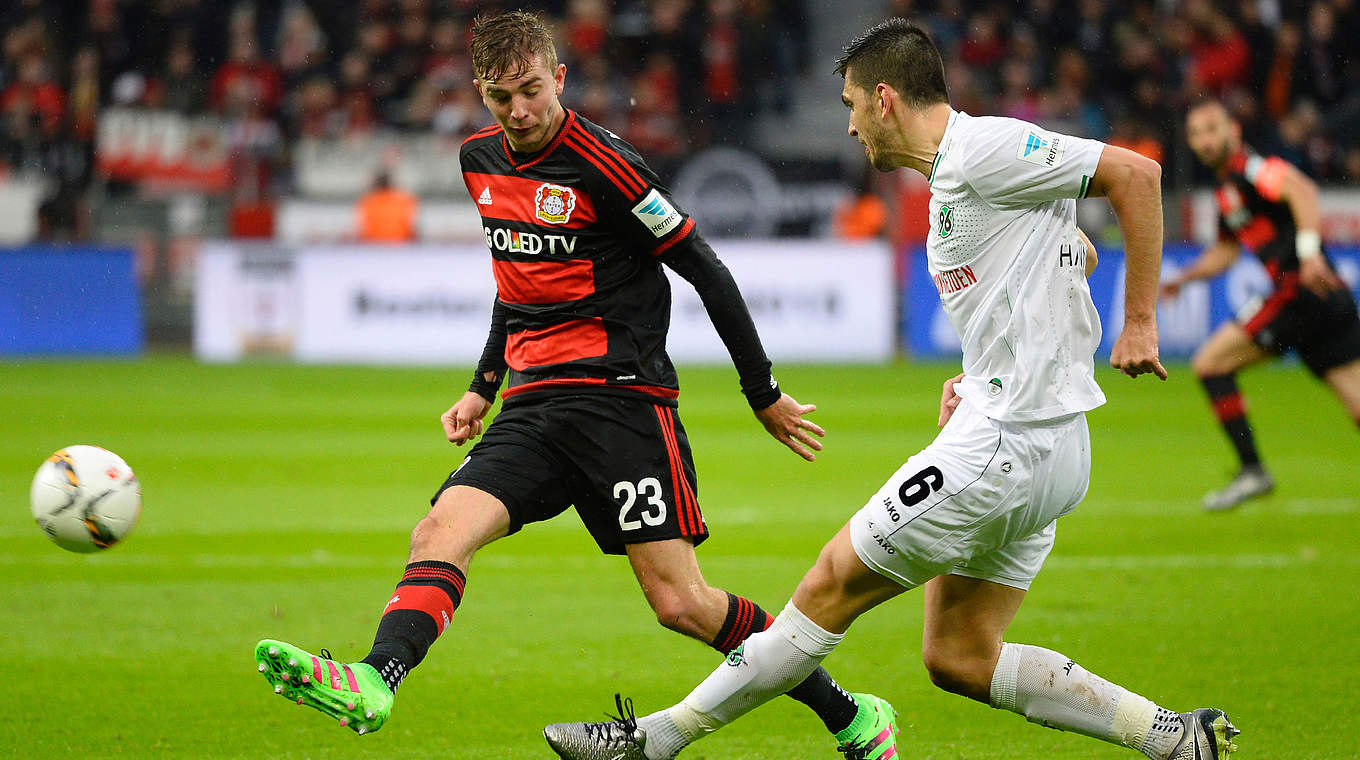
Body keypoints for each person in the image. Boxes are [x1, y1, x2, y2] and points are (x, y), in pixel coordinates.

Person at [542, 18, 1240, 760]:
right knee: (961, 656)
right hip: (1054, 450)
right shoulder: (960, 180)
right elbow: (1072, 249)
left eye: (849, 104)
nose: (847, 126)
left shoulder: (982, 150)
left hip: (1005, 445)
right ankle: (1170, 736)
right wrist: (980, 373)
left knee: (827, 585)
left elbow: (1138, 175)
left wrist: (1139, 323)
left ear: (884, 99)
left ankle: (652, 742)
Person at [254, 11, 899, 756]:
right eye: (502, 99)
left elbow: (706, 270)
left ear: (559, 78)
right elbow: (517, 282)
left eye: (531, 91)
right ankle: (375, 679)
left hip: (623, 402)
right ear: (480, 94)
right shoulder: (480, 162)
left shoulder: (608, 165)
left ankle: (853, 715)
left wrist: (763, 392)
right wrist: (481, 385)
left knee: (682, 604)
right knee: (438, 532)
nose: (519, 111)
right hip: (533, 404)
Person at [1162, 98, 1360, 511]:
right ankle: (1252, 471)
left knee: (1210, 364)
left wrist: (1307, 254)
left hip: (1299, 293)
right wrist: (1184, 278)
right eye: (1195, 133)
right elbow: (1225, 253)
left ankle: (1253, 470)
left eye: (1211, 129)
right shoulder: (1226, 190)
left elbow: (1302, 190)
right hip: (1324, 297)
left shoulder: (1249, 169)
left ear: (1233, 130)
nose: (1203, 140)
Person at [356, 171, 419, 242]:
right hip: (400, 243)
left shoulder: (367, 201)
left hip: (373, 243)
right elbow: (412, 226)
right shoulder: (405, 199)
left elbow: (361, 228)